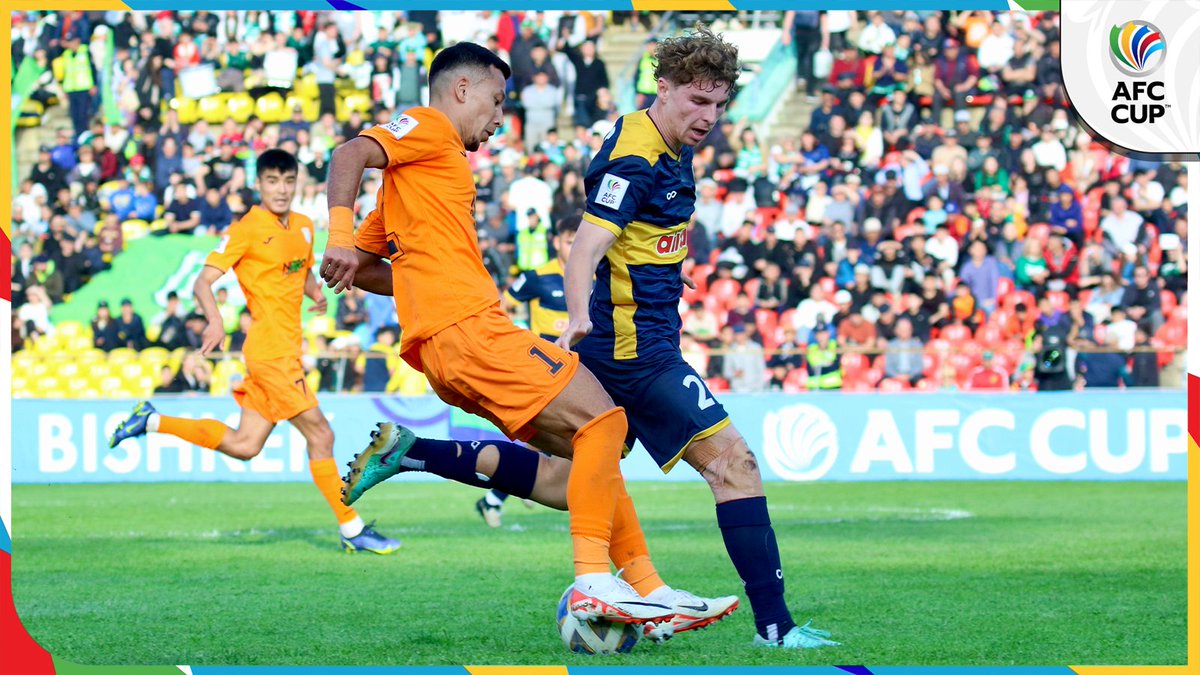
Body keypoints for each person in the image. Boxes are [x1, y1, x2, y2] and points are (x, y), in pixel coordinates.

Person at [319, 42, 732, 633]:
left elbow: (368, 270)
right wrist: (336, 234)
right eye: (495, 100)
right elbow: (350, 151)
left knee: (584, 467)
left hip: (443, 351)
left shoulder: (410, 188)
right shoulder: (431, 130)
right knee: (606, 422)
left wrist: (350, 256)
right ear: (462, 90)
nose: (496, 117)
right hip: (471, 330)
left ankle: (653, 594)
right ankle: (593, 582)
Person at [109, 149, 400, 555]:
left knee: (246, 445)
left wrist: (315, 293)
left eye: (287, 181)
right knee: (322, 433)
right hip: (270, 353)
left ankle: (153, 421)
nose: (280, 190)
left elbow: (298, 271)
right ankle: (351, 529)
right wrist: (213, 321)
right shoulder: (246, 230)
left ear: (296, 183)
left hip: (286, 351)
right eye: (271, 182)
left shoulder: (302, 226)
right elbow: (202, 283)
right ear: (259, 185)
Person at [475, 214, 582, 528]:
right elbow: (501, 306)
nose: (574, 249)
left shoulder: (594, 274)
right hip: (547, 370)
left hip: (582, 368)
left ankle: (505, 493)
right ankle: (531, 485)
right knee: (559, 434)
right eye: (568, 242)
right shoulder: (538, 276)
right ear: (556, 242)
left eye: (579, 243)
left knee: (552, 436)